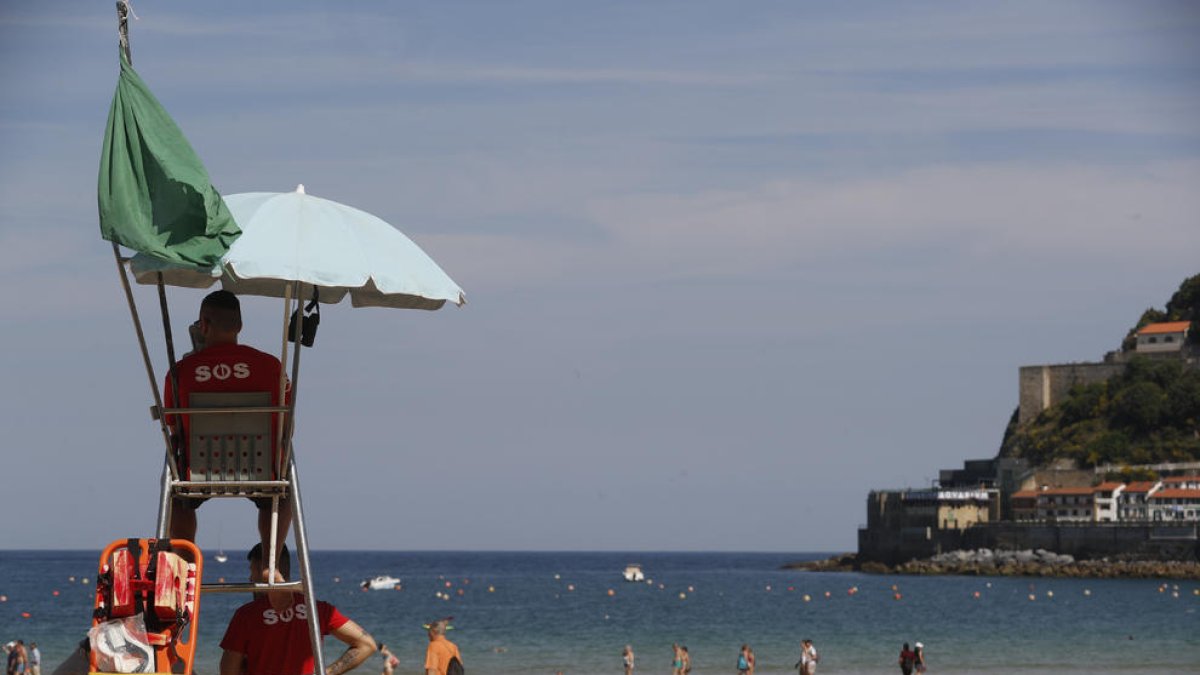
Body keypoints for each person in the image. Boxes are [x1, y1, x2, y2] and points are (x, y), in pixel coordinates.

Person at [164, 291, 292, 576]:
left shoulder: (181, 371)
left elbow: (174, 426)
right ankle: (270, 562)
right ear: (240, 326)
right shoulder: (271, 366)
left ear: (203, 325)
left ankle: (185, 564)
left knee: (177, 493)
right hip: (261, 470)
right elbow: (286, 424)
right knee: (283, 490)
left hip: (198, 472)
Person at [219, 544, 376, 675]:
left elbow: (228, 671)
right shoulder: (317, 609)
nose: (250, 579)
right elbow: (367, 645)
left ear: (265, 572)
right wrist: (326, 672)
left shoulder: (247, 615)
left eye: (252, 571)